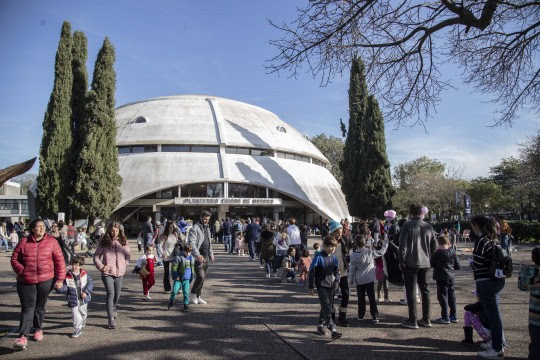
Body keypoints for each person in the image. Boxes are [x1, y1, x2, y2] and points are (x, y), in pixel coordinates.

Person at [11, 218, 66, 350]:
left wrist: (60, 279)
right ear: (32, 229)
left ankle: (38, 329)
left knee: (39, 307)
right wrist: (22, 271)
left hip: (45, 279)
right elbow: (14, 259)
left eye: (43, 226)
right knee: (27, 308)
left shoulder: (52, 242)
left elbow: (60, 262)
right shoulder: (23, 242)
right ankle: (23, 337)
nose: (41, 228)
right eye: (38, 226)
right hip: (26, 281)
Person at [470, 215, 506, 359]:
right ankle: (497, 343)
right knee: (495, 314)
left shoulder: (481, 241)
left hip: (485, 281)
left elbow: (478, 263)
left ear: (477, 226)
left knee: (493, 316)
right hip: (497, 280)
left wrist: (471, 263)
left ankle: (497, 348)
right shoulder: (494, 240)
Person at [399, 204, 437, 329]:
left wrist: (402, 261)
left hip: (411, 262)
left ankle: (413, 319)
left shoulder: (407, 225)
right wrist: (429, 256)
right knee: (425, 290)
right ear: (421, 212)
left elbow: (402, 246)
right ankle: (426, 318)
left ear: (410, 212)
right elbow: (434, 245)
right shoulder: (428, 226)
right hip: (425, 262)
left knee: (411, 291)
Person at [93, 221, 131, 329]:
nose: (114, 233)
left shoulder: (123, 240)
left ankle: (113, 308)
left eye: (117, 230)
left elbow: (128, 254)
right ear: (109, 230)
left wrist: (125, 264)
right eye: (113, 230)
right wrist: (101, 267)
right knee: (111, 294)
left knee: (117, 295)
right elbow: (96, 257)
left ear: (120, 231)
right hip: (107, 273)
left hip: (120, 273)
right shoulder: (104, 242)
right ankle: (110, 319)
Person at [349, 225, 389, 323]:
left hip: (360, 280)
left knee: (361, 298)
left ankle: (361, 315)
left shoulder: (353, 256)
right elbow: (381, 252)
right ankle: (374, 316)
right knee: (372, 298)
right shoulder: (370, 252)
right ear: (365, 242)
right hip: (369, 278)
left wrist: (351, 280)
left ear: (355, 244)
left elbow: (352, 268)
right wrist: (386, 241)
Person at [308, 236, 342, 340]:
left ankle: (320, 324)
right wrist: (311, 286)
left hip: (331, 285)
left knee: (326, 306)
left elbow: (337, 271)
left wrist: (337, 281)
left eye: (334, 247)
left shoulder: (334, 258)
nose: (333, 248)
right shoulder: (319, 257)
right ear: (325, 246)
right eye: (331, 246)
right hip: (321, 285)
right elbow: (311, 272)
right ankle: (333, 329)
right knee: (327, 307)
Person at [56, 256, 94, 338]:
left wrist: (86, 292)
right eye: (74, 264)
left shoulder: (85, 274)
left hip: (83, 298)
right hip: (73, 298)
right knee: (74, 313)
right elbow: (65, 287)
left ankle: (83, 318)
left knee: (82, 311)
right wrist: (58, 288)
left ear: (81, 266)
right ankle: (77, 329)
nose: (76, 267)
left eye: (78, 265)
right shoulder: (67, 276)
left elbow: (90, 283)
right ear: (71, 264)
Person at [430, 234, 461, 324]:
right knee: (451, 295)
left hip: (440, 277)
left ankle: (445, 316)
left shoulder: (436, 254)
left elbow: (431, 264)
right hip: (450, 276)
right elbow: (457, 265)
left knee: (442, 296)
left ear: (438, 243)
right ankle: (453, 315)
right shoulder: (452, 252)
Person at [329, 219, 353, 327]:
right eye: (337, 233)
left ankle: (342, 317)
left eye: (341, 232)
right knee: (331, 295)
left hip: (343, 272)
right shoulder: (328, 243)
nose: (339, 235)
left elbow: (350, 251)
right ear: (332, 233)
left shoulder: (345, 240)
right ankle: (331, 317)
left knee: (346, 294)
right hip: (332, 274)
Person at [188, 210, 215, 305]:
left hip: (206, 256)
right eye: (205, 218)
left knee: (203, 279)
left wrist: (211, 253)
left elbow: (209, 241)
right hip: (198, 257)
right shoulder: (194, 228)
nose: (206, 220)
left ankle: (198, 296)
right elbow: (192, 243)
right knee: (200, 276)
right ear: (201, 217)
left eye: (208, 219)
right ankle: (192, 294)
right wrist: (197, 255)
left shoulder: (207, 228)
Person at [518, 246, 540, 360]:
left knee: (536, 345)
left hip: (534, 318)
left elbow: (521, 286)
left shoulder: (531, 274)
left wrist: (521, 272)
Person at [168, 244, 195, 312]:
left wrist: (191, 277)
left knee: (186, 293)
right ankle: (171, 300)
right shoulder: (178, 257)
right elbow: (174, 268)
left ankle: (186, 305)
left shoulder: (192, 258)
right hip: (179, 278)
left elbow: (192, 268)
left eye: (189, 252)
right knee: (174, 290)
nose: (187, 253)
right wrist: (175, 275)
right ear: (183, 251)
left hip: (187, 278)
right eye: (186, 252)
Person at [161, 221, 178, 293]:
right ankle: (167, 288)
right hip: (166, 256)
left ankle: (177, 287)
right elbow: (160, 246)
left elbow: (182, 239)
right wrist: (163, 253)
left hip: (174, 255)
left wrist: (176, 227)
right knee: (166, 272)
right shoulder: (164, 235)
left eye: (172, 227)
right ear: (167, 228)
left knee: (176, 271)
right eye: (170, 227)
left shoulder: (175, 234)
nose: (171, 229)